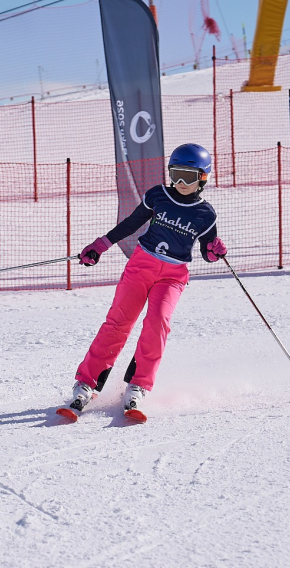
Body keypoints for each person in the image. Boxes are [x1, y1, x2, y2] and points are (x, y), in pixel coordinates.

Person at [63, 143, 227, 418]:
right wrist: (100, 246)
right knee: (118, 322)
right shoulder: (158, 196)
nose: (181, 182)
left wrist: (214, 251)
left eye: (188, 176)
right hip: (141, 265)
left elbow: (207, 253)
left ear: (202, 178)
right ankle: (86, 384)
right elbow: (131, 223)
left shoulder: (205, 214)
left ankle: (138, 386)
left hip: (173, 276)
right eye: (176, 174)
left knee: (157, 323)